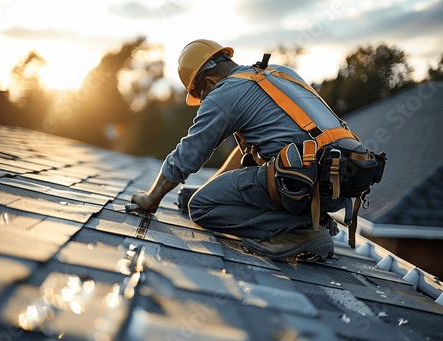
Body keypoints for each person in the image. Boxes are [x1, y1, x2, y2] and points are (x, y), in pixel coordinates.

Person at [131, 39, 353, 262]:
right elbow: (245, 153)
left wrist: (152, 198)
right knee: (233, 185)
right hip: (343, 180)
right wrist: (211, 186)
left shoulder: (224, 93)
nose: (204, 102)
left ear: (209, 81)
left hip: (302, 182)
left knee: (201, 206)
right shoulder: (278, 73)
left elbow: (189, 153)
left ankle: (298, 231)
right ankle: (313, 219)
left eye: (201, 96)